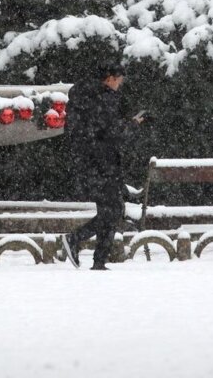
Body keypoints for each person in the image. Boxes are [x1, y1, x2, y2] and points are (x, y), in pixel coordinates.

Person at [61, 62, 144, 270]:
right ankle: (74, 239)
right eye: (119, 79)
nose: (120, 84)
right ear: (110, 78)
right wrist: (133, 124)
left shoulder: (89, 97)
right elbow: (112, 133)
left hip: (92, 162)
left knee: (111, 209)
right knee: (113, 211)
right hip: (101, 163)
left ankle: (99, 261)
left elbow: (99, 130)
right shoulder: (104, 98)